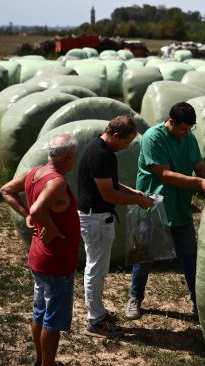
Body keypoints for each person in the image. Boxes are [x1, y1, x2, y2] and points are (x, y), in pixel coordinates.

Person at [123, 102, 205, 320]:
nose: (186, 133)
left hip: (179, 206)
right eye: (182, 128)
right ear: (171, 122)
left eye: (190, 129)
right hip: (153, 206)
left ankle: (196, 301)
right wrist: (198, 183)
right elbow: (164, 174)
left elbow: (199, 165)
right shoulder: (152, 138)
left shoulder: (189, 138)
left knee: (190, 257)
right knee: (144, 255)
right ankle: (135, 299)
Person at [0, 134, 80, 366]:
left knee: (40, 312)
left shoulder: (35, 172)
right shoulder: (57, 182)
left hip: (39, 257)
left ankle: (40, 361)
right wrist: (49, 226)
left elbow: (6, 190)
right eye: (73, 157)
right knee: (52, 320)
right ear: (68, 156)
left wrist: (28, 217)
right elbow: (36, 210)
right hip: (56, 261)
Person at [77, 115, 154, 337]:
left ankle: (97, 312)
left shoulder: (99, 147)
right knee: (96, 269)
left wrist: (134, 192)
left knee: (98, 269)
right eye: (126, 142)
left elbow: (109, 182)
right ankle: (95, 321)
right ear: (116, 135)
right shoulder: (101, 155)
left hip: (97, 218)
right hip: (96, 219)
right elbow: (108, 193)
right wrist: (139, 201)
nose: (127, 147)